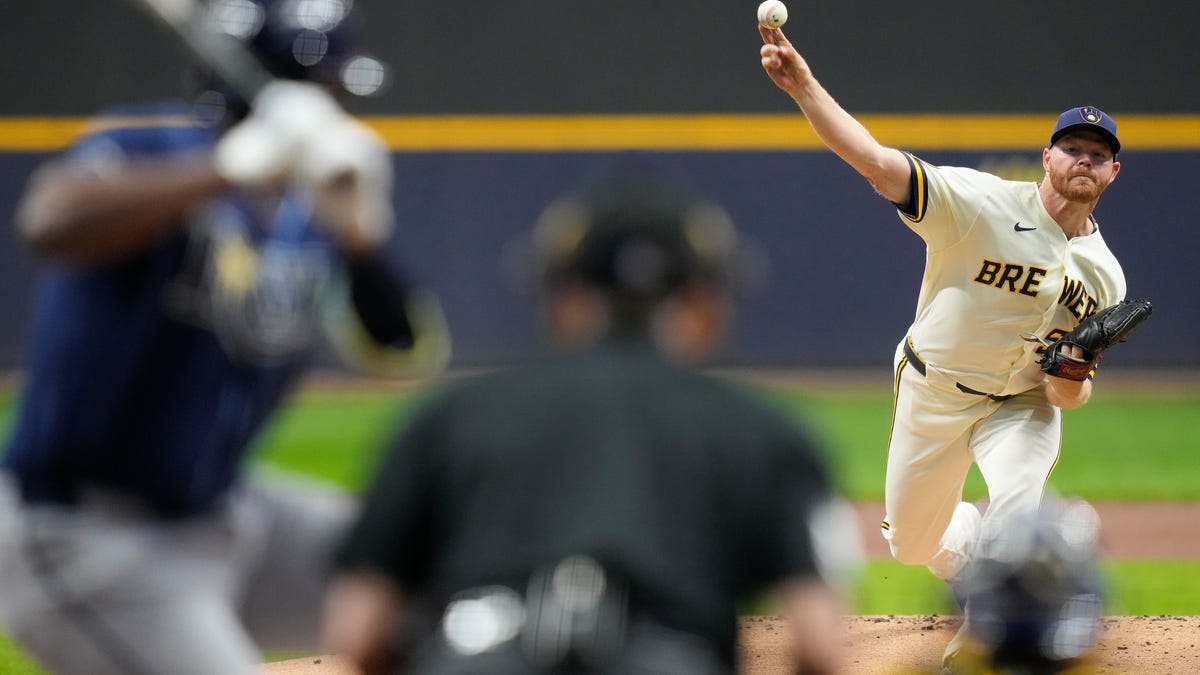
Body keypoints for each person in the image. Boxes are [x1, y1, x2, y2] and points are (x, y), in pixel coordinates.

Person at [0, 2, 448, 674]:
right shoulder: (148, 150)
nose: (336, 106)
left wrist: (360, 241)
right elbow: (50, 222)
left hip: (224, 509)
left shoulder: (306, 207)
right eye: (325, 87)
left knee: (439, 570)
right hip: (85, 533)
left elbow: (406, 352)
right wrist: (226, 171)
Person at [318, 162, 863, 675]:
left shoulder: (450, 415)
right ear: (704, 300)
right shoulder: (763, 430)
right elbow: (820, 645)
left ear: (563, 295)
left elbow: (355, 632)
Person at [757, 25, 1128, 673]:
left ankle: (991, 628)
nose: (1084, 160)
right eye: (1073, 148)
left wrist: (1073, 369)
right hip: (935, 390)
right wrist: (805, 87)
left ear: (1113, 171)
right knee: (912, 543)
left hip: (1021, 405)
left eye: (1098, 154)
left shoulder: (1104, 276)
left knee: (1019, 498)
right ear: (1047, 158)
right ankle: (982, 552)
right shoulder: (979, 203)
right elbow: (875, 161)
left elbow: (1070, 391)